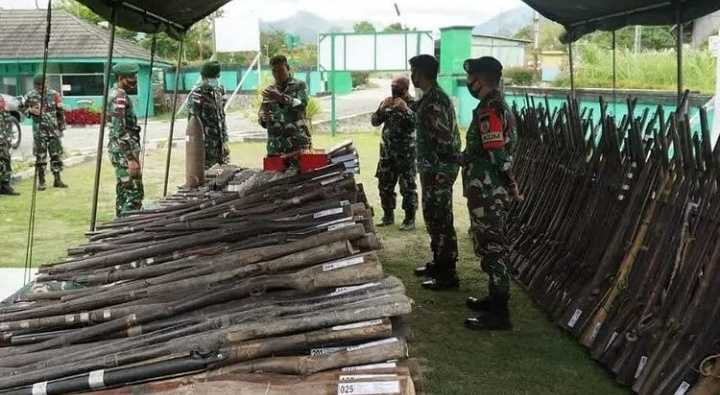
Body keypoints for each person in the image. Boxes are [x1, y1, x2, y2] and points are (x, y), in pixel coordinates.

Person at [461, 56, 523, 331]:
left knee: (493, 248)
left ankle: (500, 314)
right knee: (488, 244)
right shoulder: (495, 105)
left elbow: (497, 153)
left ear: (481, 80)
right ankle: (494, 299)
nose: (468, 82)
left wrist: (510, 184)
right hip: (487, 188)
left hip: (488, 190)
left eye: (471, 77)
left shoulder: (489, 110)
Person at [409, 54, 462, 290]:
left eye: (414, 71)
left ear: (422, 73)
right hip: (432, 168)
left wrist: (438, 167)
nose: (412, 76)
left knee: (441, 218)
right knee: (433, 216)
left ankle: (447, 273)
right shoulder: (429, 98)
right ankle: (439, 261)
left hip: (439, 169)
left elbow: (444, 140)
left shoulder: (435, 100)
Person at [372, 75, 418, 231]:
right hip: (387, 153)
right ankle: (388, 216)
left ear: (405, 88)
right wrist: (382, 108)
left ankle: (409, 219)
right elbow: (374, 121)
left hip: (406, 154)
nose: (393, 88)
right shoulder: (388, 102)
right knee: (384, 186)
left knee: (407, 187)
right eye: (392, 85)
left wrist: (405, 109)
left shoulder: (413, 104)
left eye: (396, 85)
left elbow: (417, 123)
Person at [108, 63, 144, 217]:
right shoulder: (120, 97)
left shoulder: (114, 93)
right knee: (134, 195)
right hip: (124, 153)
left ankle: (119, 227)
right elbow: (119, 130)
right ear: (120, 78)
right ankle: (129, 229)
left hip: (120, 150)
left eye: (135, 77)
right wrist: (131, 158)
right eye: (130, 78)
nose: (134, 81)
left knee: (123, 192)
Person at [258, 55, 311, 158]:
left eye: (281, 70)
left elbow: (302, 105)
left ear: (288, 68)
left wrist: (282, 98)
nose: (278, 74)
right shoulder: (269, 90)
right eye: (274, 71)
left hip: (296, 144)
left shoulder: (299, 85)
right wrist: (263, 118)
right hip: (275, 146)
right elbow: (262, 112)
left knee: (300, 174)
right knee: (273, 174)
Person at [24, 74, 67, 190]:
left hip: (53, 131)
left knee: (56, 156)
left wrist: (61, 128)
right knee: (40, 157)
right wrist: (30, 110)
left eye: (42, 85)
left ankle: (57, 179)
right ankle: (42, 182)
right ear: (35, 85)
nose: (40, 88)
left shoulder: (54, 95)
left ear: (46, 83)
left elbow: (60, 112)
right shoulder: (30, 95)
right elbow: (22, 108)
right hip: (39, 132)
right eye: (38, 86)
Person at [187, 60, 230, 169]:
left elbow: (221, 117)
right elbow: (193, 124)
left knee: (222, 176)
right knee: (208, 179)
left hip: (220, 147)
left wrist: (225, 141)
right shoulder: (196, 95)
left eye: (216, 77)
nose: (215, 80)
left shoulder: (219, 91)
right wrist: (196, 149)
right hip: (205, 149)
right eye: (212, 77)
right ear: (204, 77)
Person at [0, 95, 19, 196]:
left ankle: (5, 186)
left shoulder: (2, 99)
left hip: (3, 138)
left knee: (5, 159)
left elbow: (7, 120)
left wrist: (8, 138)